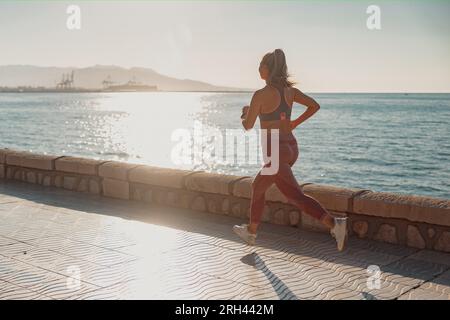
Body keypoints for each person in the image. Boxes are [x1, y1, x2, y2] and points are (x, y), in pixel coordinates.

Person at [233, 49, 348, 251]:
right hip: (291, 147)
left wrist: (245, 114)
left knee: (295, 196)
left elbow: (248, 125)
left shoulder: (261, 94)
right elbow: (314, 106)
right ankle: (251, 232)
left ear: (267, 69)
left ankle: (335, 224)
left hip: (276, 151)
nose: (258, 69)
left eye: (260, 65)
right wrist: (294, 123)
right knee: (258, 187)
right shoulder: (289, 92)